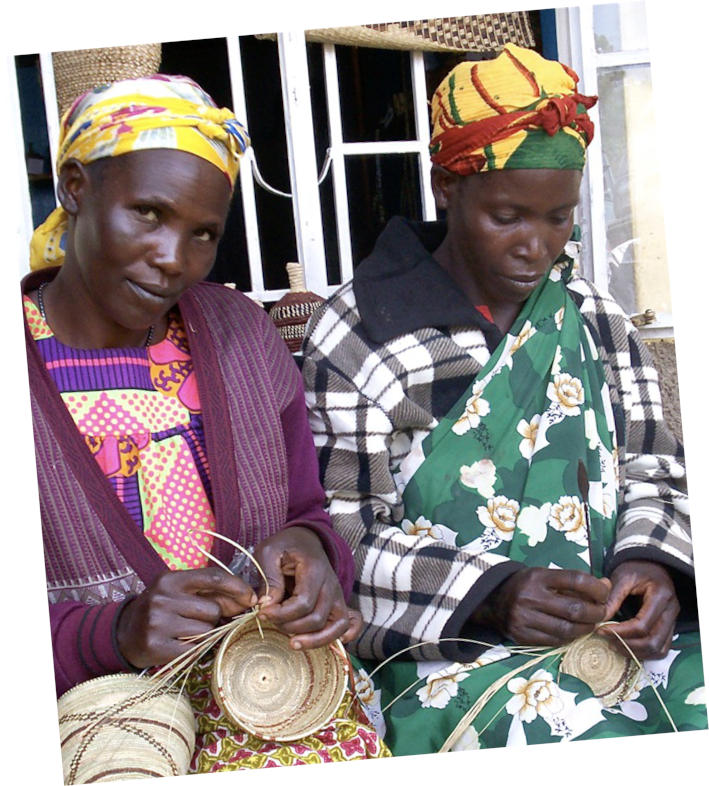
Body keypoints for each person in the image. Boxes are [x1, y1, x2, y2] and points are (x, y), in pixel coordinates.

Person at [301, 43, 706, 753]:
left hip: (618, 639)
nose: (536, 247)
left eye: (558, 219)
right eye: (507, 216)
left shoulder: (587, 309)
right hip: (453, 654)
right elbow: (343, 532)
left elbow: (652, 464)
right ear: (444, 187)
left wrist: (650, 566)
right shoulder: (359, 331)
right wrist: (492, 593)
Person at [23, 74, 388, 773]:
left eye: (203, 235)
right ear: (75, 186)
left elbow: (307, 513)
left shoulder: (240, 335)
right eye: (148, 214)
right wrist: (114, 631)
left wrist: (312, 557)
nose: (173, 260)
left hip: (270, 694)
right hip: (96, 723)